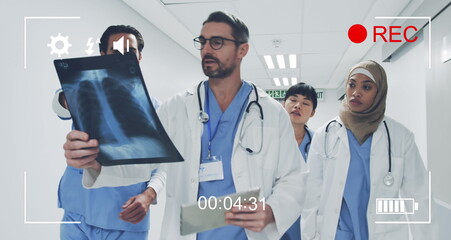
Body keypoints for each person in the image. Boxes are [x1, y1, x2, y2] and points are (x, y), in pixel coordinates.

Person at [64, 11, 307, 240]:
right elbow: (141, 162)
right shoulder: (177, 107)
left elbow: (294, 176)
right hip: (191, 227)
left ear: (242, 50)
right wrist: (95, 164)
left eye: (218, 42)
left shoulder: (271, 113)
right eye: (203, 42)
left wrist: (272, 210)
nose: (208, 49)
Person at [53, 25, 165, 240]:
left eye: (130, 51)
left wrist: (149, 195)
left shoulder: (156, 109)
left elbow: (164, 167)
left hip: (125, 216)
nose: (122, 57)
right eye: (115, 51)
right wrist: (69, 97)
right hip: (77, 212)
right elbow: (59, 105)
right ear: (103, 55)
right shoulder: (83, 89)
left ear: (139, 56)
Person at [301, 60, 431, 239]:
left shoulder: (400, 136)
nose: (356, 93)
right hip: (337, 232)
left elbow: (419, 197)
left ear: (379, 93)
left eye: (367, 87)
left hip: (384, 233)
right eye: (352, 85)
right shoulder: (325, 134)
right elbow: (311, 193)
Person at [281, 82, 317, 240]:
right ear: (283, 105)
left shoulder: (319, 142)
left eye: (305, 103)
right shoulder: (267, 141)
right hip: (275, 212)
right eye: (293, 100)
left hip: (306, 214)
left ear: (313, 112)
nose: (297, 106)